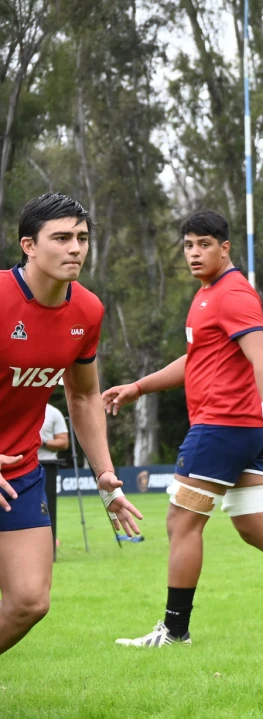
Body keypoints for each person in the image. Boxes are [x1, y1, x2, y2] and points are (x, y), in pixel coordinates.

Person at [103, 211, 263, 647]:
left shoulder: (233, 294)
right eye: (188, 245)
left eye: (204, 244)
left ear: (225, 248)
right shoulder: (208, 295)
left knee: (181, 524)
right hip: (241, 431)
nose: (194, 253)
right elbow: (195, 361)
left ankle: (175, 631)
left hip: (221, 426)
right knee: (258, 525)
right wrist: (140, 387)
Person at [0, 192, 143, 656]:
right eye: (61, 238)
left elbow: (81, 395)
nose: (75, 248)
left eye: (81, 238)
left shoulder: (87, 311)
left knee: (29, 601)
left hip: (20, 473)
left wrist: (106, 477)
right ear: (29, 245)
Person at [39, 403, 69, 547]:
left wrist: (42, 442)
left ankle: (50, 540)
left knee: (47, 506)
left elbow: (64, 442)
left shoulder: (53, 412)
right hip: (17, 463)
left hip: (46, 465)